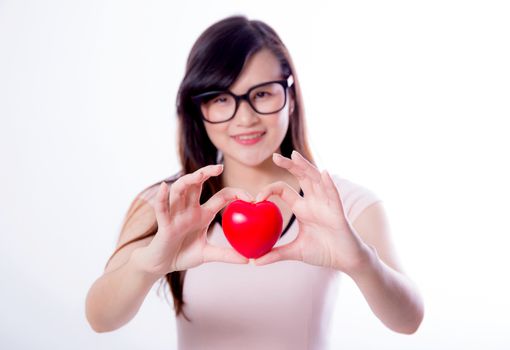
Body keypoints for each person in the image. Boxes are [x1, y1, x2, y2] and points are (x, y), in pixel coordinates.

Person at [85, 15, 424, 349]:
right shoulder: (165, 205)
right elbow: (100, 319)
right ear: (197, 109)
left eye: (261, 94)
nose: (245, 118)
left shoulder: (342, 204)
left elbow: (409, 320)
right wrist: (148, 265)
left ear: (290, 97)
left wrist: (361, 263)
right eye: (220, 98)